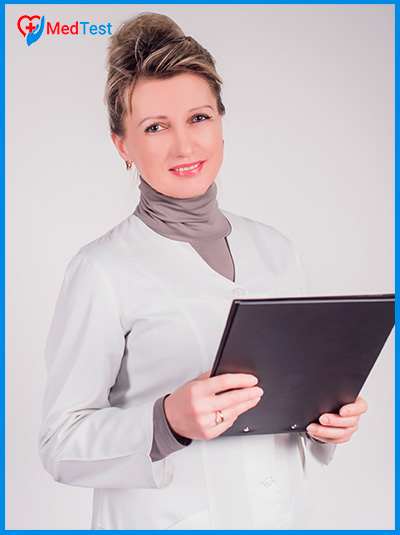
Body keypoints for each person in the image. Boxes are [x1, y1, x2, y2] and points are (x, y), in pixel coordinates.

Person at [39, 12, 368, 530]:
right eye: (155, 127)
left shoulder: (276, 249)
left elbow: (294, 400)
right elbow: (60, 443)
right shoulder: (101, 270)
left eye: (198, 118)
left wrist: (325, 422)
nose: (185, 146)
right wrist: (166, 421)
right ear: (122, 145)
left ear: (220, 121)